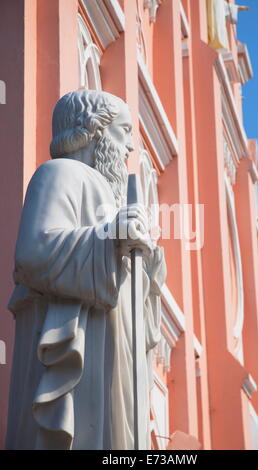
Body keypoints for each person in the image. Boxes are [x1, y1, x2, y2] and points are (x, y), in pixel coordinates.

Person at [5, 89, 166, 450]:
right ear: (94, 130)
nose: (129, 150)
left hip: (114, 354)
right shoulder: (60, 173)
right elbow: (33, 254)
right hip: (81, 350)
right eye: (124, 132)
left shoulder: (112, 201)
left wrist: (147, 268)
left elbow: (135, 311)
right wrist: (110, 239)